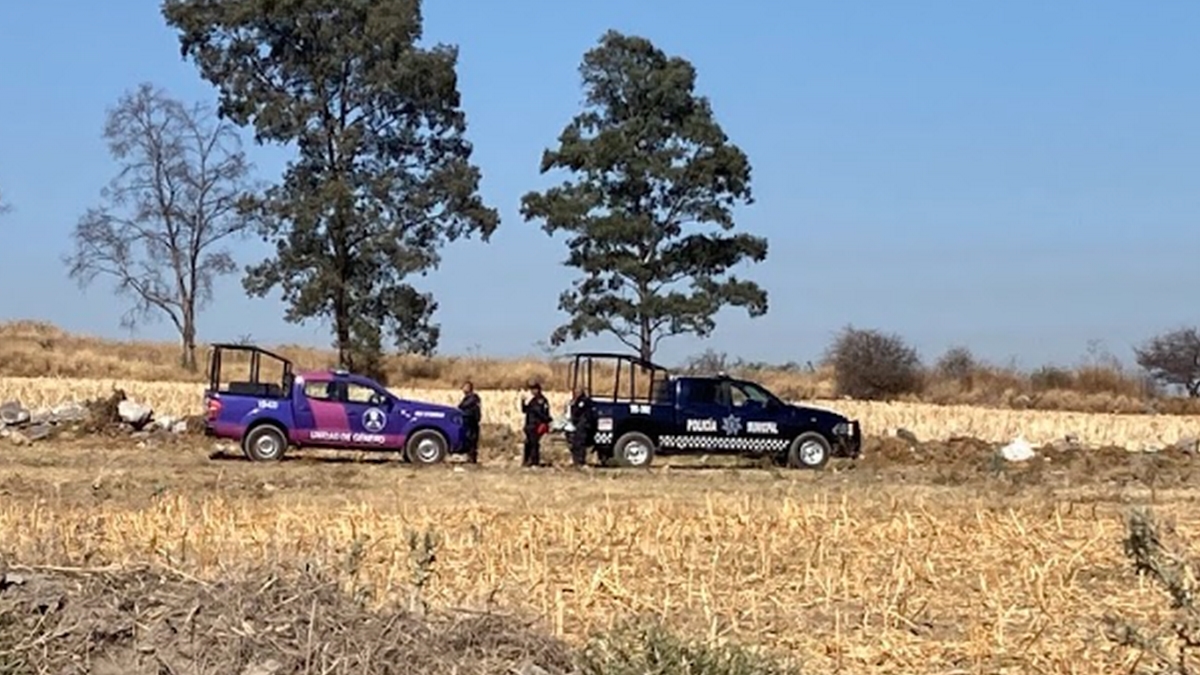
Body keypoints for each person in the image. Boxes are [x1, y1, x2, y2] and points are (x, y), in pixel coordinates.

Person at [520, 380, 552, 467]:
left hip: (536, 425)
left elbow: (544, 414)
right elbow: (525, 410)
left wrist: (545, 422)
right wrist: (522, 402)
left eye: (534, 389)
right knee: (528, 443)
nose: (533, 391)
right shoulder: (532, 400)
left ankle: (534, 462)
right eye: (532, 389)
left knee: (534, 444)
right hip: (529, 425)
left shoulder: (542, 400)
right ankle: (527, 461)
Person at [567, 385, 596, 467]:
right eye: (576, 391)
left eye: (578, 392)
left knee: (581, 443)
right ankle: (576, 460)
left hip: (583, 424)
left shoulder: (584, 401)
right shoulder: (576, 401)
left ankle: (580, 461)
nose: (576, 393)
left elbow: (579, 411)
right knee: (575, 444)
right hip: (577, 425)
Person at [457, 380, 482, 464]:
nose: (463, 389)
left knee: (472, 440)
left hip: (472, 422)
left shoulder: (473, 398)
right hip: (468, 421)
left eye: (465, 387)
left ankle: (472, 459)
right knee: (468, 440)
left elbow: (463, 406)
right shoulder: (467, 398)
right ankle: (469, 457)